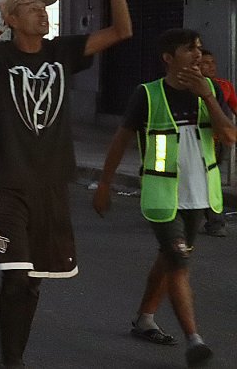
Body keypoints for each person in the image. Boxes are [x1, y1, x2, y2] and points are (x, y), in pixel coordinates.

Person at [0, 0, 132, 369]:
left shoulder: (62, 52)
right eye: (33, 7)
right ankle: (12, 362)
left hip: (51, 186)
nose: (42, 12)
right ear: (11, 19)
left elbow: (121, 31)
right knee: (17, 275)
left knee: (32, 282)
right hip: (7, 186)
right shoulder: (1, 57)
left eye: (45, 7)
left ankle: (11, 359)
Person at [93, 29, 235, 367]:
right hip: (162, 197)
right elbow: (121, 139)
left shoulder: (211, 90)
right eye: (189, 49)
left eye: (199, 48)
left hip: (200, 196)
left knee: (169, 259)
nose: (198, 55)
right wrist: (104, 184)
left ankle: (145, 318)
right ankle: (194, 340)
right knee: (179, 263)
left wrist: (208, 97)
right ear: (169, 58)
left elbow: (229, 136)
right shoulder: (147, 94)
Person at [198, 48, 236, 237]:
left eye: (212, 62)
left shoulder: (223, 86)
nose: (211, 66)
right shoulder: (188, 86)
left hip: (215, 142)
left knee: (210, 179)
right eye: (206, 63)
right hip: (194, 142)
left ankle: (213, 220)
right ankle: (214, 221)